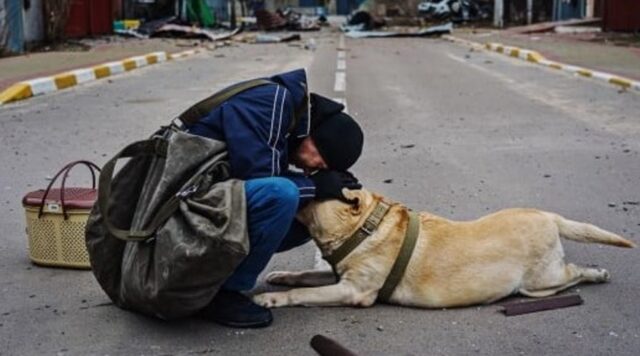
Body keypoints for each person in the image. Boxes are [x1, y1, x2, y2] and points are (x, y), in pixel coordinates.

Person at [185, 69, 365, 328]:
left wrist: (317, 189)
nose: (310, 169)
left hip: (202, 201)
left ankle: (214, 275)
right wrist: (315, 185)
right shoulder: (273, 102)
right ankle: (224, 294)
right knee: (284, 194)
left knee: (307, 208)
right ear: (316, 138)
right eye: (320, 162)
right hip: (179, 206)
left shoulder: (287, 116)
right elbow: (260, 179)